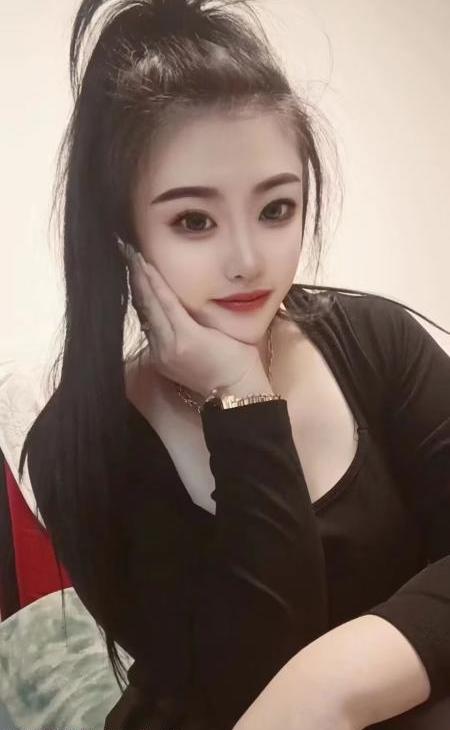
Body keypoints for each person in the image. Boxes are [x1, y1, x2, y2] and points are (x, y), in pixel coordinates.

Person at [18, 0, 450, 728]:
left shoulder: (376, 341)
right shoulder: (80, 446)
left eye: (276, 209)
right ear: (124, 235)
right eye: (194, 220)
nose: (248, 260)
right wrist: (241, 392)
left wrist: (330, 685)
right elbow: (242, 689)